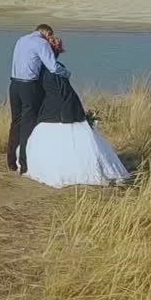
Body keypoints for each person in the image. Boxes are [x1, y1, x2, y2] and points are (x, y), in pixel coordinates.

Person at [25, 35, 131, 188]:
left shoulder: (44, 69)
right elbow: (64, 93)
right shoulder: (57, 68)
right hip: (64, 108)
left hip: (52, 110)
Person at [7, 24, 62, 175]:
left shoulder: (21, 39)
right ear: (45, 32)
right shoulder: (41, 43)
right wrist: (66, 73)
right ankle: (24, 164)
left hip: (14, 85)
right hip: (28, 86)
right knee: (28, 123)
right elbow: (52, 66)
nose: (50, 38)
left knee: (15, 122)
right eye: (50, 35)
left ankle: (11, 161)